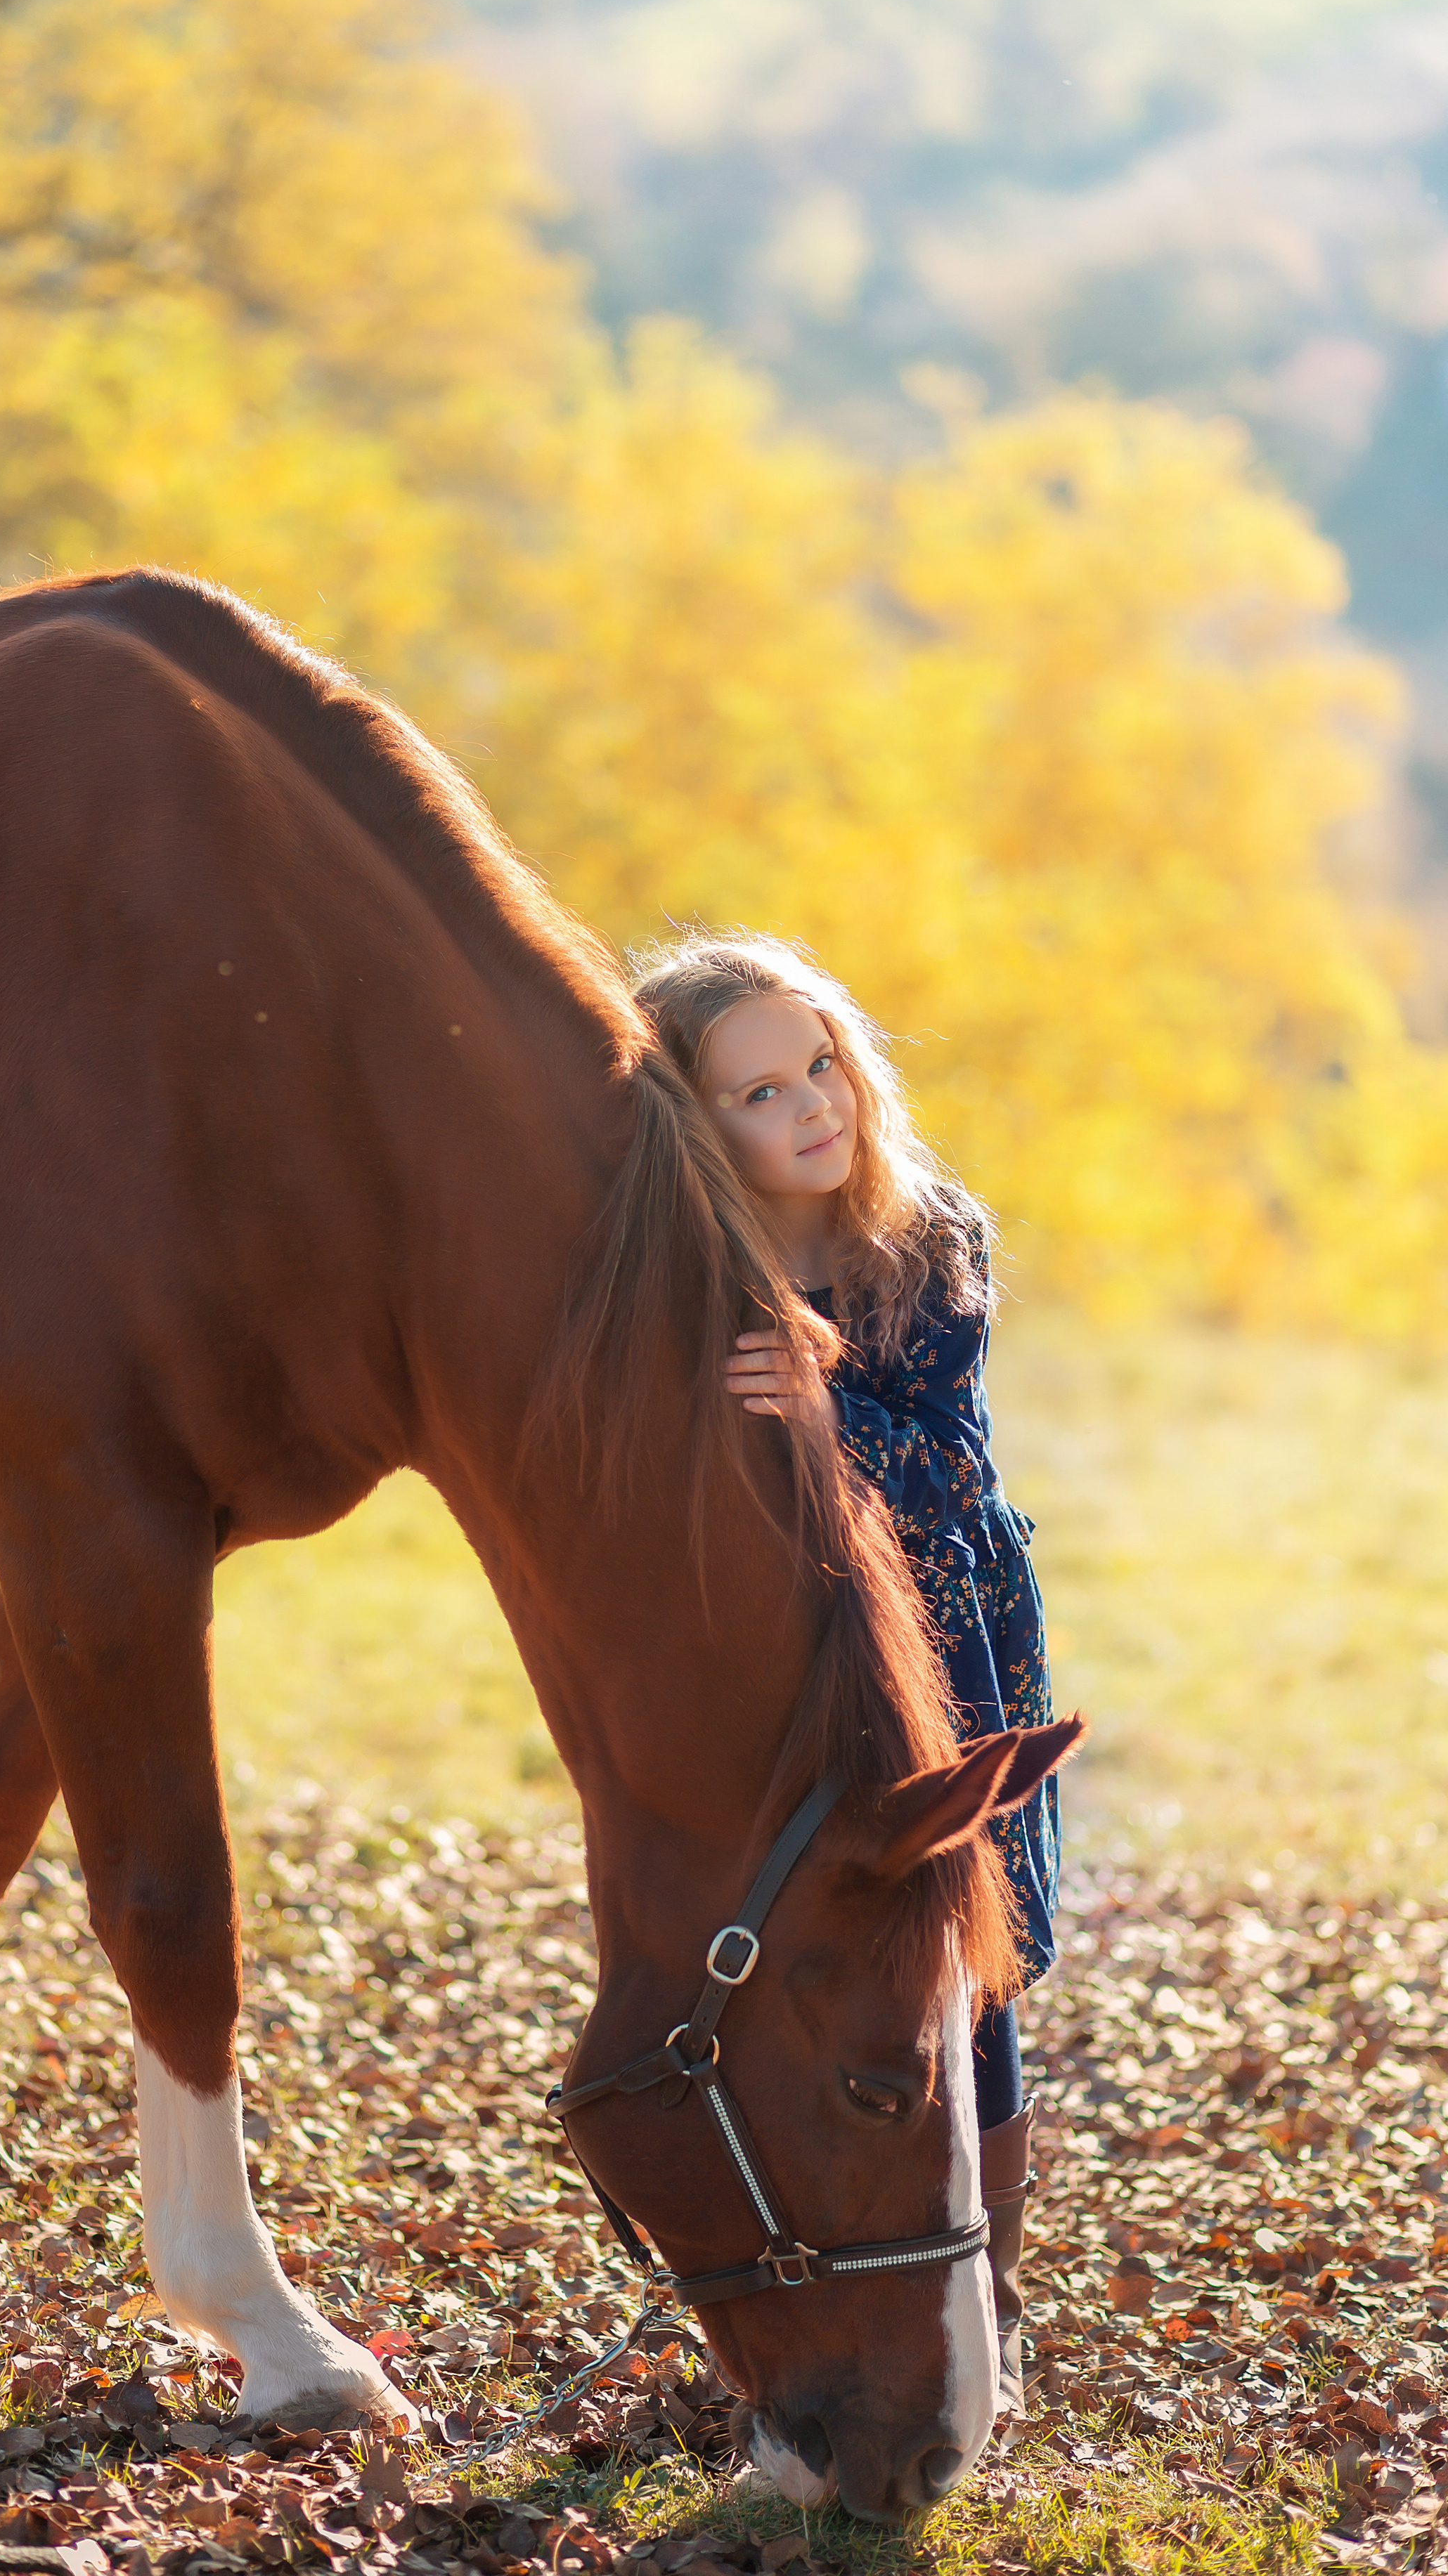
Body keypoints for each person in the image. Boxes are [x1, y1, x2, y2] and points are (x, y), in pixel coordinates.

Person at [631, 930, 1055, 2419]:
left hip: (945, 1634)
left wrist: (822, 1407)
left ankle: (975, 2307)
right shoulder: (683, 1267)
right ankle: (759, 2297)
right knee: (770, 1956)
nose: (812, 1106)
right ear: (697, 1126)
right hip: (769, 1656)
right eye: (759, 1092)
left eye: (819, 1064)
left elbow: (949, 1471)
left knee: (962, 1958)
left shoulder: (923, 1237)